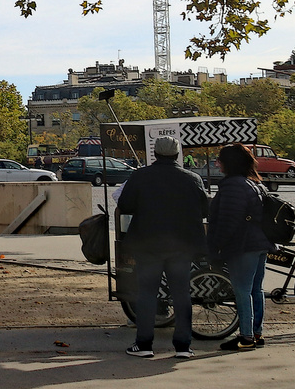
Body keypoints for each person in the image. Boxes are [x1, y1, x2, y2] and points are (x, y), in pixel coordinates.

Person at [116, 135, 209, 358]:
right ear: (178, 154)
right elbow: (204, 210)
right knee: (181, 294)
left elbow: (125, 204)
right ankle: (184, 346)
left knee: (147, 293)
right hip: (181, 246)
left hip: (148, 244)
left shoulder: (140, 176)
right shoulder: (192, 178)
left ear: (155, 153)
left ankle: (144, 344)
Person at [208, 143, 274, 352]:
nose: (218, 163)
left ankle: (245, 337)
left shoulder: (233, 185)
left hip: (243, 245)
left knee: (242, 290)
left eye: (220, 159)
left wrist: (216, 245)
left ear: (229, 163)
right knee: (256, 289)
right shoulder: (254, 183)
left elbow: (229, 220)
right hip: (260, 242)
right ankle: (256, 333)